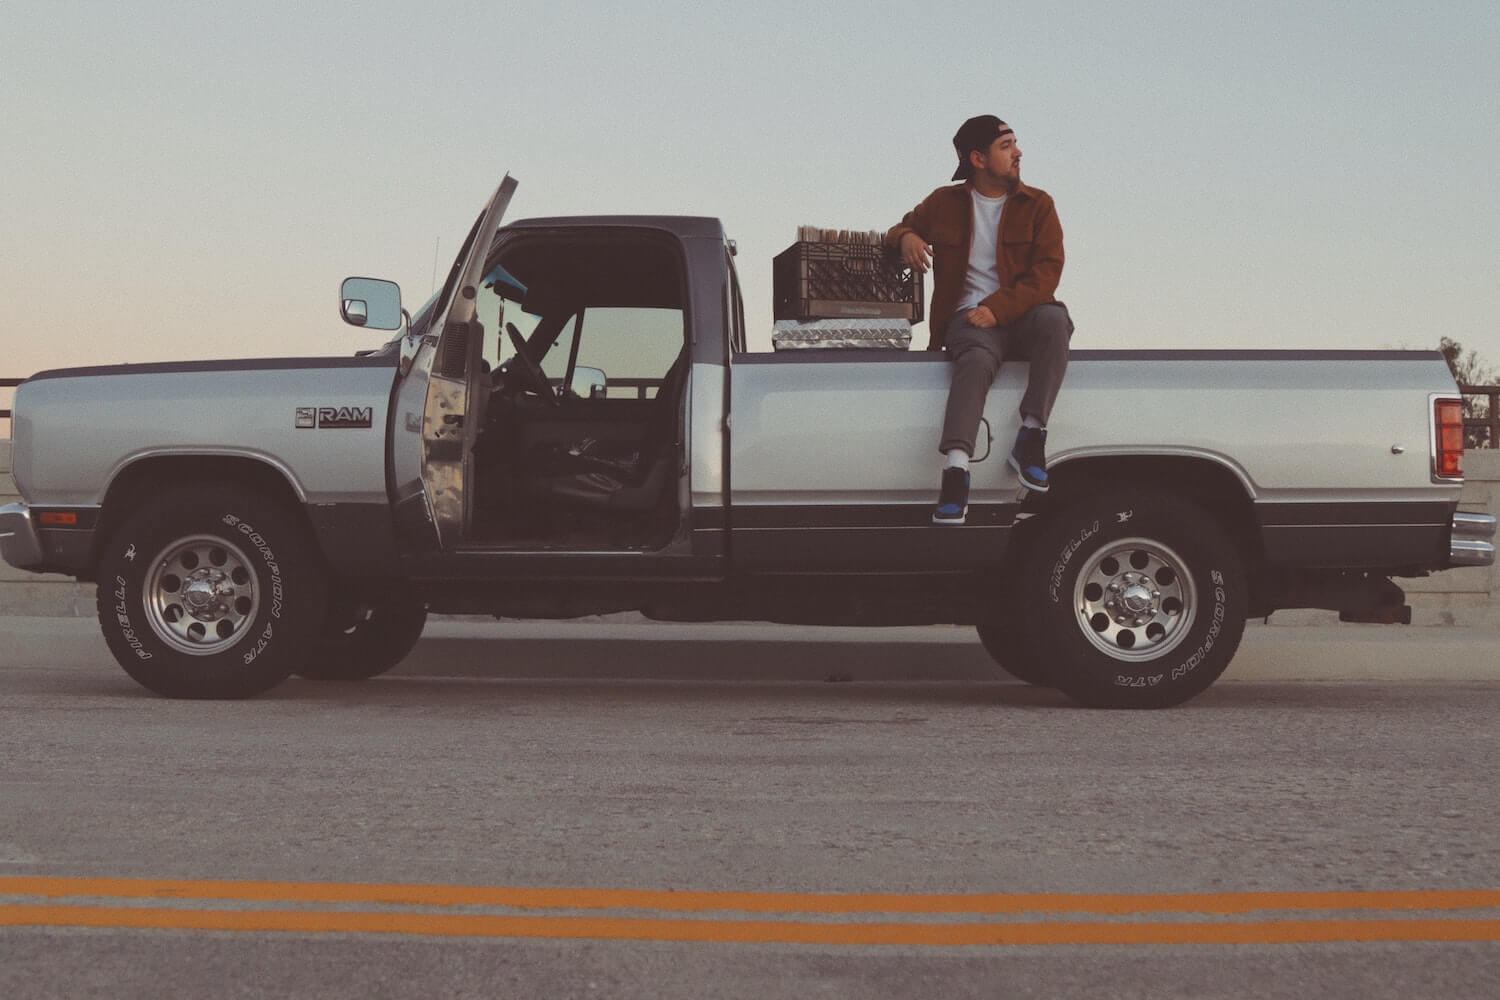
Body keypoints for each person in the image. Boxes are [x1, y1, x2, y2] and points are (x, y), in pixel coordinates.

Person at [887, 114, 1072, 525]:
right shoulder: (944, 202)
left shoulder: (1038, 204)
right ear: (978, 158)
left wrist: (1000, 309)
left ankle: (1032, 436)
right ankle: (956, 471)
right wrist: (908, 237)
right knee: (973, 361)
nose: (1018, 152)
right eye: (1006, 146)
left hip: (1021, 313)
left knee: (1056, 321)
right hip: (967, 318)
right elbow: (897, 228)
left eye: (1015, 144)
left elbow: (1047, 272)